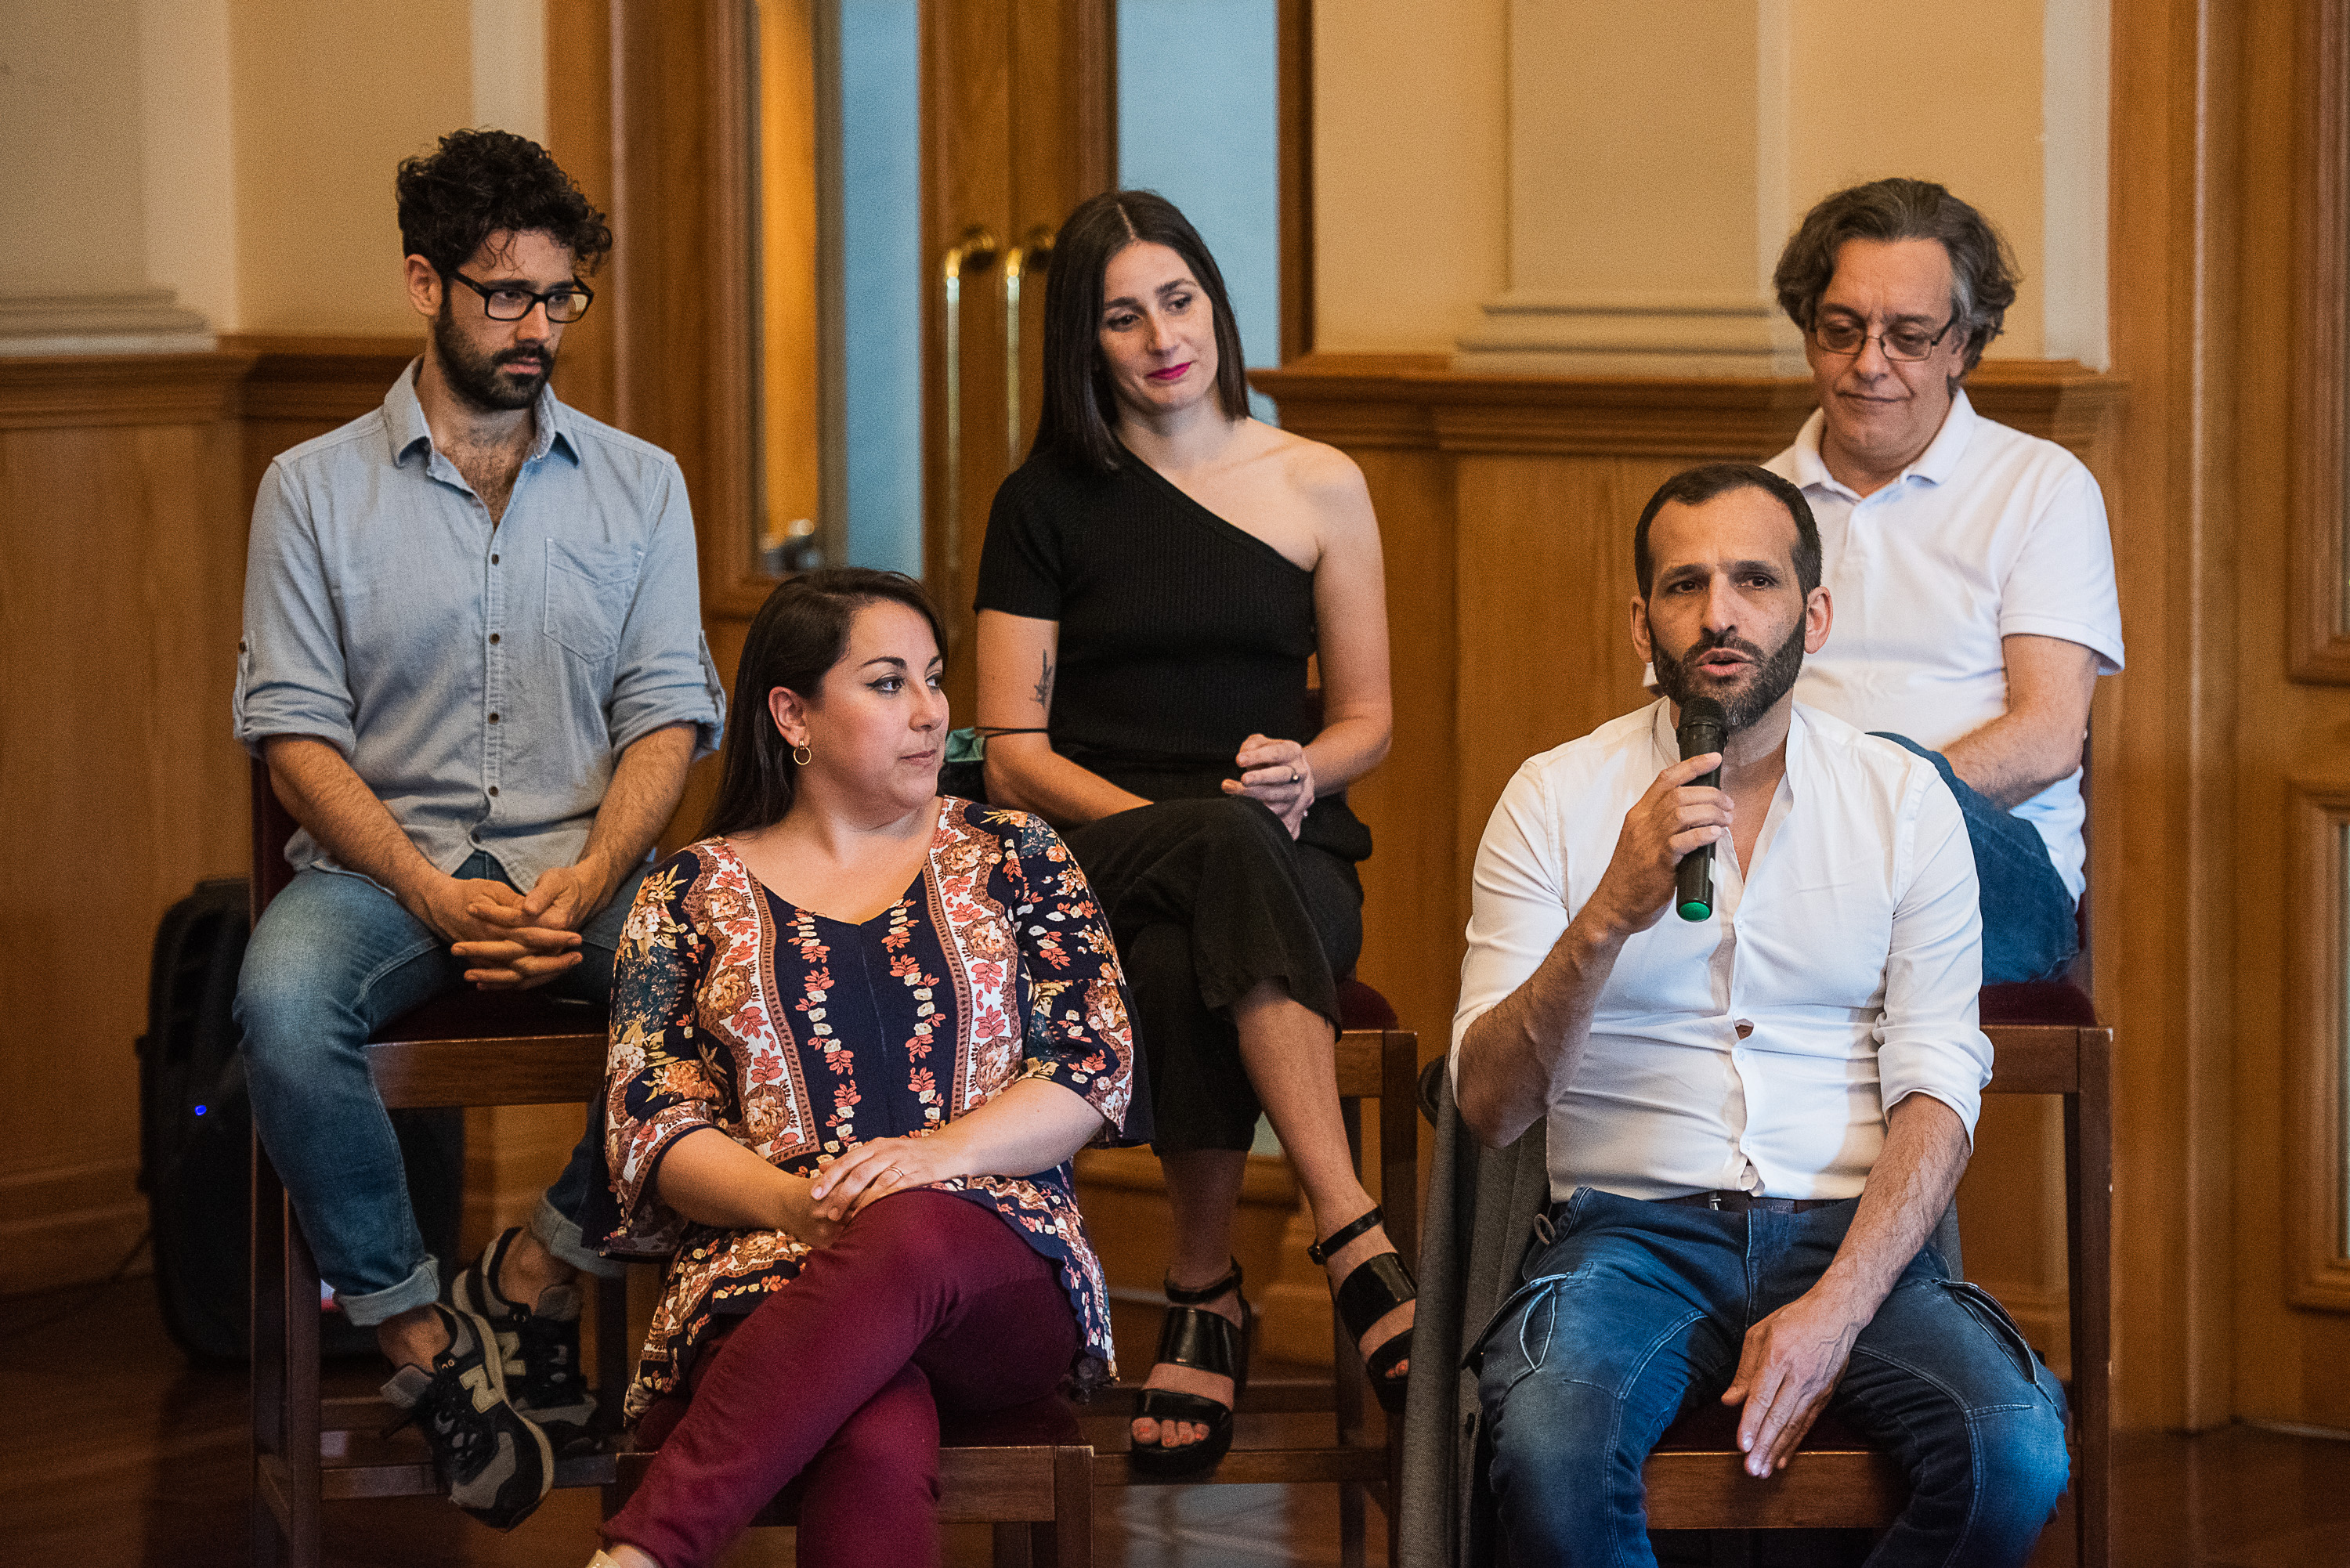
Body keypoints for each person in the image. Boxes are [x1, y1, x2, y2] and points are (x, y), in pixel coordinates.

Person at [233, 128, 725, 1528]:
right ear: (422, 284)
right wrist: (429, 891)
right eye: (506, 295)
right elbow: (295, 740)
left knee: (709, 963)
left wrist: (591, 875)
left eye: (561, 298)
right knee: (276, 997)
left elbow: (667, 717)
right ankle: (424, 1346)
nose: (537, 329)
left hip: (585, 858)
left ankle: (541, 1270)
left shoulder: (643, 484)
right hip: (384, 874)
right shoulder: (311, 491)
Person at [1451, 464, 2070, 1567]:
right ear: (1640, 621)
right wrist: (1606, 917)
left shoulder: (1903, 801)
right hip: (1630, 1236)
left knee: (2014, 1447)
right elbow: (1491, 1107)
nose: (1720, 613)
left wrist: (1837, 1305)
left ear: (1813, 614)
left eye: (1755, 579)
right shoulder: (1552, 796)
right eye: (1684, 585)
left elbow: (1938, 1087)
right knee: (1546, 1444)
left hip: (1850, 1232)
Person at [971, 187, 1414, 1473]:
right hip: (1092, 845)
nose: (1162, 334)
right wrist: (1175, 824)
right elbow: (1013, 752)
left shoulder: (1318, 480)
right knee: (1207, 857)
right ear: (1084, 340)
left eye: (1179, 300)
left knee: (1192, 942)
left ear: (1215, 304)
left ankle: (1202, 1290)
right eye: (1123, 315)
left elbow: (1371, 718)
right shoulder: (1044, 500)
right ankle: (1351, 1230)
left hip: (1288, 844)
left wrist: (1304, 765)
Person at [584, 570, 1133, 1568]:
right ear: (791, 714)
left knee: (912, 1228)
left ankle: (642, 1555)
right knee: (873, 1433)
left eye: (934, 679)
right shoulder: (684, 892)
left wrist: (930, 1160)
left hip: (995, 1264)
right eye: (888, 684)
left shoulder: (1017, 852)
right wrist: (797, 1209)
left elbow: (1092, 1066)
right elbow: (650, 1124)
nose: (930, 714)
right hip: (765, 1262)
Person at [1763, 177, 2124, 985]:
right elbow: (1699, 720)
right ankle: (1503, 1087)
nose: (1870, 365)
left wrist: (1866, 805)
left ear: (1962, 345)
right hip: (1785, 856)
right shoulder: (1752, 506)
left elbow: (2048, 736)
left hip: (1983, 866)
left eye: (1909, 337)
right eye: (1843, 329)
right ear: (1810, 333)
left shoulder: (2042, 487)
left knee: (1864, 767)